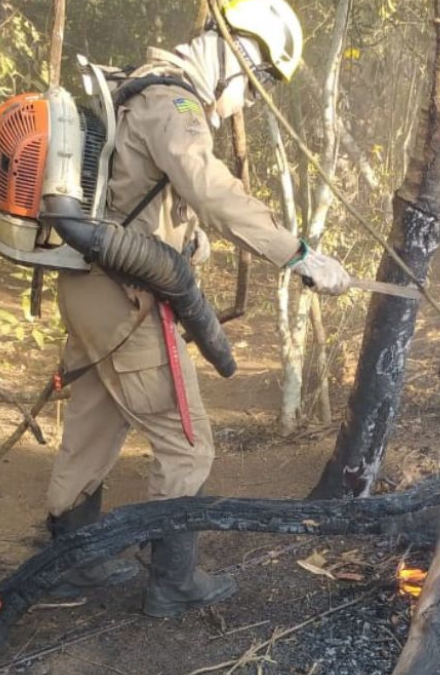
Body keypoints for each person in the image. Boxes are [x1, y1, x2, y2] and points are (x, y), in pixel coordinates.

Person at [45, 0, 349, 617]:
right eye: (261, 76)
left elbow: (144, 192)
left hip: (87, 285)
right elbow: (210, 187)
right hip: (125, 294)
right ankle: (173, 582)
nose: (257, 94)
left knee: (94, 423)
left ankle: (67, 566)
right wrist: (297, 254)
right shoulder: (176, 100)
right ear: (233, 49)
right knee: (189, 445)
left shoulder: (143, 87)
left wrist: (186, 239)